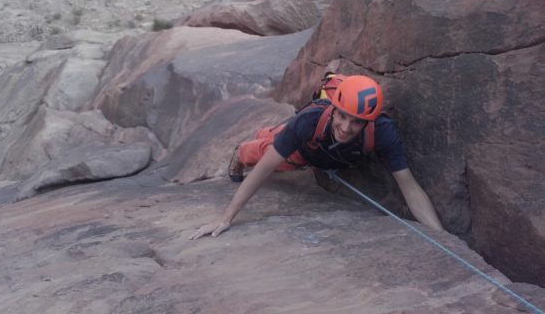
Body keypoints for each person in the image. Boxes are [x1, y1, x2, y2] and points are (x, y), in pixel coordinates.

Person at [190, 75, 443, 240]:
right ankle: (241, 151)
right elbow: (264, 169)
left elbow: (408, 185)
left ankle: (274, 134)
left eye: (357, 122)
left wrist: (442, 237)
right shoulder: (311, 119)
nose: (346, 127)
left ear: (370, 121)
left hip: (327, 155)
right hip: (306, 150)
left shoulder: (383, 131)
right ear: (333, 108)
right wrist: (226, 217)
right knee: (268, 151)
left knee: (280, 140)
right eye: (342, 116)